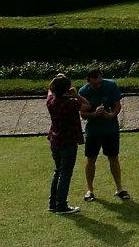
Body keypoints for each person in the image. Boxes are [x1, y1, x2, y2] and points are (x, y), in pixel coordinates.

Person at [78, 69, 130, 202]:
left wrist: (111, 115)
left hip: (110, 130)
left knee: (114, 158)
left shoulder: (111, 85)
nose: (97, 84)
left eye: (99, 81)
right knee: (91, 160)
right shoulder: (83, 91)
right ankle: (90, 190)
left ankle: (119, 188)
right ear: (88, 80)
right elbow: (83, 114)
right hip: (93, 131)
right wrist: (94, 114)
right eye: (94, 82)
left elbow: (117, 106)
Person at [46, 74, 89, 215]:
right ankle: (61, 205)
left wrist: (56, 80)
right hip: (68, 141)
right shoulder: (71, 103)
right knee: (65, 173)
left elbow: (50, 90)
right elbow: (87, 105)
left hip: (55, 140)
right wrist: (76, 95)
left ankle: (53, 203)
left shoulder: (51, 101)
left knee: (58, 171)